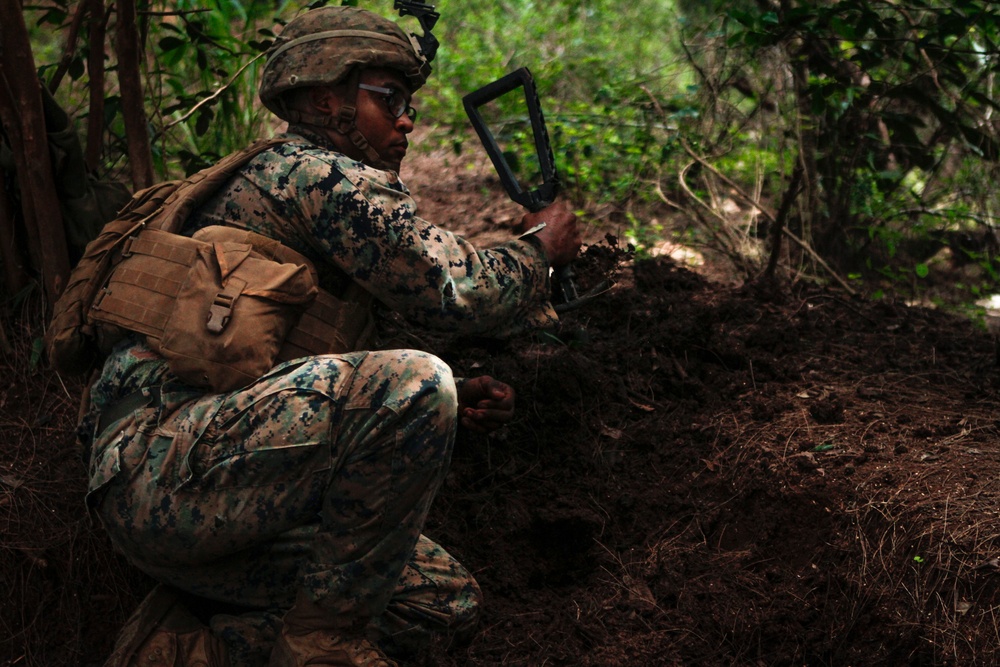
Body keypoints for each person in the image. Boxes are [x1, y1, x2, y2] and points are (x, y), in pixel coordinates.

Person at [83, 5, 580, 667]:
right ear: (327, 100)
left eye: (409, 103)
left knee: (438, 603)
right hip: (167, 472)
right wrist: (539, 251)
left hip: (198, 492)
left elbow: (293, 367)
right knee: (414, 381)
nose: (407, 118)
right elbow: (453, 290)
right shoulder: (316, 175)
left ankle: (180, 650)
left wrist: (446, 399)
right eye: (389, 99)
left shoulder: (279, 184)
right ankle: (323, 646)